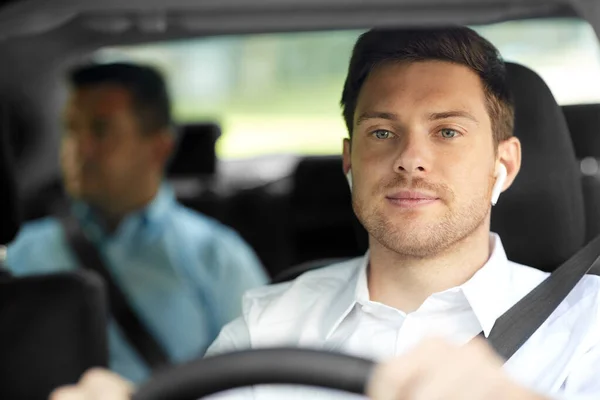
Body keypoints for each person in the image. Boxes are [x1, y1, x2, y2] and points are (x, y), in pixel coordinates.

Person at [49, 27, 600, 400]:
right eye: (382, 132)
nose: (411, 159)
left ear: (502, 167)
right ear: (350, 163)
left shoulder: (587, 326)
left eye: (447, 132)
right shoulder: (265, 326)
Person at [6, 62, 269, 384]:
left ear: (159, 146)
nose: (79, 148)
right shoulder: (17, 251)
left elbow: (262, 380)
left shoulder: (217, 256)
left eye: (101, 130)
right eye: (71, 129)